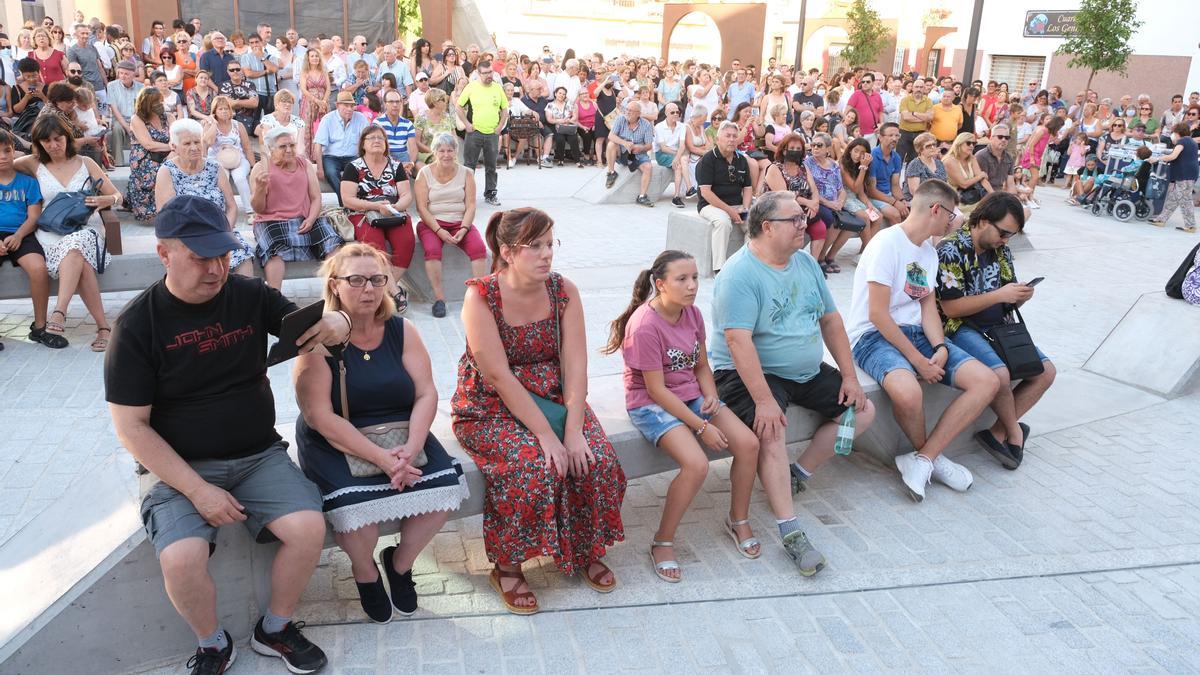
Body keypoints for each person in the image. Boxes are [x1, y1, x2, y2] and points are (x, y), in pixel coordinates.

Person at [105, 195, 348, 675]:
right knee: (181, 557)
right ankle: (213, 643)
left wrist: (337, 321)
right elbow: (131, 427)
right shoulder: (137, 325)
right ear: (163, 254)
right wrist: (198, 491)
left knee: (307, 528)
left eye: (222, 253)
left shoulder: (249, 294)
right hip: (179, 467)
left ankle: (274, 629)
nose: (216, 268)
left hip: (258, 453)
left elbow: (306, 325)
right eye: (200, 257)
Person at [451, 207, 625, 614]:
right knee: (533, 466)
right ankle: (507, 566)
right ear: (508, 253)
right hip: (491, 405)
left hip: (554, 393)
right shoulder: (481, 296)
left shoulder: (564, 291)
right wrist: (548, 436)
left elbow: (576, 364)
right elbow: (498, 376)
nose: (547, 254)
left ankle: (584, 546)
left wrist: (574, 429)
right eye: (535, 247)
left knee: (593, 459)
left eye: (551, 244)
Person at [294, 243, 467, 623]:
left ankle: (400, 564)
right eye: (355, 280)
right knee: (357, 511)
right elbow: (320, 416)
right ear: (335, 285)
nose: (368, 289)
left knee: (443, 491)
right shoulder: (318, 340)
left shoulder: (402, 330)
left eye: (377, 279)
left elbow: (426, 392)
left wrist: (412, 447)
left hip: (402, 428)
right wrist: (384, 460)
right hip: (337, 435)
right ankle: (365, 572)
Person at [711, 191, 876, 574]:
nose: (806, 224)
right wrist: (764, 400)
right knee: (772, 429)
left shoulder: (804, 262)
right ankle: (790, 532)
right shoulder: (740, 274)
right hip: (749, 372)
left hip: (804, 369)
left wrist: (849, 376)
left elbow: (831, 321)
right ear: (767, 227)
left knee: (862, 412)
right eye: (796, 219)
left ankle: (797, 475)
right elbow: (738, 342)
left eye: (803, 217)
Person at [602, 250, 760, 582]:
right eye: (682, 279)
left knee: (748, 443)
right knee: (697, 464)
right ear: (660, 285)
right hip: (650, 403)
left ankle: (738, 519)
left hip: (691, 394)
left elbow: (701, 365)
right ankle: (662, 541)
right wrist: (702, 427)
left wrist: (711, 395)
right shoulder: (644, 326)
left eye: (695, 278)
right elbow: (656, 390)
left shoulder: (692, 314)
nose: (691, 286)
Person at [846, 179, 999, 502]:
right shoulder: (887, 243)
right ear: (935, 210)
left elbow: (927, 304)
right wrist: (918, 361)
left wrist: (940, 346)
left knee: (987, 381)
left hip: (917, 334)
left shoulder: (928, 252)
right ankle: (929, 456)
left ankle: (925, 458)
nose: (953, 222)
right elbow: (877, 314)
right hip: (873, 336)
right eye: (951, 215)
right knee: (908, 391)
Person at [936, 191, 1056, 468]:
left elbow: (1004, 296)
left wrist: (1019, 296)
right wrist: (999, 295)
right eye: (1003, 233)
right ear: (983, 220)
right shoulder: (951, 249)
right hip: (960, 326)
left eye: (1010, 235)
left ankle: (998, 432)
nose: (1005, 240)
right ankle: (1015, 433)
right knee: (999, 374)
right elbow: (951, 309)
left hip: (999, 326)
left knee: (1046, 372)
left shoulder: (1000, 250)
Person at [15, 114, 121, 351]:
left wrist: (107, 199)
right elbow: (4, 166)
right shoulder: (32, 163)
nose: (53, 145)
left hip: (87, 229)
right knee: (79, 261)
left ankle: (59, 313)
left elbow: (118, 195)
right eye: (46, 141)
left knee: (77, 243)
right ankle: (103, 327)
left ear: (67, 136)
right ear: (39, 143)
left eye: (57, 138)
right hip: (50, 235)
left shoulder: (86, 163)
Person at [155, 118, 253, 275]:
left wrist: (225, 230)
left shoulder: (215, 167)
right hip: (186, 236)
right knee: (199, 259)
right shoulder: (167, 171)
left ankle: (245, 298)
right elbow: (166, 216)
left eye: (197, 142)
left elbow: (231, 206)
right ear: (174, 147)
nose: (194, 147)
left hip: (220, 230)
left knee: (242, 253)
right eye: (187, 144)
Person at [251, 125, 342, 288]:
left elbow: (316, 198)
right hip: (272, 220)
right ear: (271, 149)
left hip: (304, 219)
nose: (289, 150)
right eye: (283, 146)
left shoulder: (304, 164)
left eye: (292, 145)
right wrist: (259, 189)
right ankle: (274, 299)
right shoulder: (260, 169)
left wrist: (311, 218)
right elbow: (258, 209)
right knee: (273, 252)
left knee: (332, 240)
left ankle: (336, 291)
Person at [0, 128, 67, 350]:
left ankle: (39, 327)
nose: (3, 157)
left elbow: (34, 215)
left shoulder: (27, 182)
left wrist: (19, 235)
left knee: (39, 269)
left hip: (23, 231)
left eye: (7, 151)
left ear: (14, 152)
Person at [413, 133, 490, 317]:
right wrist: (439, 231)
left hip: (459, 221)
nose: (446, 154)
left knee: (479, 249)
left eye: (450, 150)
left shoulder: (466, 173)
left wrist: (464, 228)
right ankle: (439, 299)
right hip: (432, 222)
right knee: (432, 251)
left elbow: (471, 205)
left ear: (456, 152)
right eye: (441, 151)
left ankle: (480, 296)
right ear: (434, 152)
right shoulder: (424, 174)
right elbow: (421, 208)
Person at [340, 124, 415, 312]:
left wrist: (395, 207)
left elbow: (406, 194)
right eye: (371, 138)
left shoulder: (396, 166)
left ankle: (385, 291)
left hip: (394, 213)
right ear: (363, 144)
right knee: (376, 247)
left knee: (407, 242)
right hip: (364, 214)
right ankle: (396, 293)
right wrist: (376, 206)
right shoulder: (353, 167)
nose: (376, 141)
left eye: (380, 138)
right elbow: (347, 199)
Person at [762, 132, 828, 269]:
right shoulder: (775, 168)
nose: (795, 152)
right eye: (792, 148)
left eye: (799, 149)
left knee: (820, 228)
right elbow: (785, 194)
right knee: (794, 229)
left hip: (800, 209)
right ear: (784, 150)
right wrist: (808, 202)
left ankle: (812, 267)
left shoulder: (803, 167)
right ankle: (789, 265)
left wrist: (814, 203)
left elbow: (813, 188)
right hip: (778, 208)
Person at [696, 121, 752, 273]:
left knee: (754, 223)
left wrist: (745, 207)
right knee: (723, 222)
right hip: (710, 205)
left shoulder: (741, 160)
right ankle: (719, 269)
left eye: (735, 136)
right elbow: (706, 192)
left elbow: (747, 188)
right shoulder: (708, 160)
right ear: (718, 138)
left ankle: (747, 264)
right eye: (728, 136)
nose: (732, 139)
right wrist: (729, 211)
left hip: (737, 204)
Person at [457, 60, 508, 207]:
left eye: (490, 72)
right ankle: (467, 196)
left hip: (492, 133)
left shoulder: (498, 88)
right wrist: (467, 125)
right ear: (478, 73)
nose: (489, 75)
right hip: (474, 133)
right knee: (469, 166)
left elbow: (504, 109)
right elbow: (459, 106)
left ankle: (491, 194)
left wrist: (499, 127)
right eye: (485, 73)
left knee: (491, 166)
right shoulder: (471, 87)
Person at [314, 90, 371, 203]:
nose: (350, 109)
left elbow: (368, 140)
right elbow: (318, 145)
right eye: (346, 105)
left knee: (359, 172)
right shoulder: (328, 119)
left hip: (352, 156)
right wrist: (320, 168)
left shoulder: (360, 118)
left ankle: (355, 202)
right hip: (331, 157)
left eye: (351, 106)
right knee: (331, 173)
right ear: (337, 106)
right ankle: (346, 202)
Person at [127, 87, 173, 221]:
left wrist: (173, 150)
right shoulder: (137, 119)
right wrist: (171, 147)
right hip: (145, 156)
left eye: (161, 101)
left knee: (175, 163)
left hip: (167, 154)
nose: (160, 105)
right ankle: (157, 209)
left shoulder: (168, 117)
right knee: (158, 169)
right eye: (156, 102)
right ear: (147, 104)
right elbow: (148, 144)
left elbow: (177, 137)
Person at [203, 95, 255, 215]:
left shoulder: (238, 125)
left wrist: (253, 166)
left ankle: (250, 211)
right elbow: (208, 142)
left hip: (238, 158)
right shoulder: (210, 125)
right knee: (223, 178)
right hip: (217, 159)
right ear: (214, 111)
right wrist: (214, 124)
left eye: (226, 108)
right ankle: (222, 210)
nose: (224, 111)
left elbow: (247, 147)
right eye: (220, 109)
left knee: (240, 178)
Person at [1147, 123, 1198, 232]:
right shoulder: (1191, 141)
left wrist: (1158, 158)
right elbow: (1177, 153)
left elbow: (1173, 156)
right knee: (1172, 198)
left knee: (1185, 200)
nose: (1172, 135)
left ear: (1178, 133)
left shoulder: (1182, 141)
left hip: (1184, 175)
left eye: (1174, 132)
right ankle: (1161, 219)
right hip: (1187, 175)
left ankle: (1190, 226)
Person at [604, 100, 656, 207]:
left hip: (638, 154)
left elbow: (649, 145)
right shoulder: (620, 119)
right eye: (626, 109)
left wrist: (641, 147)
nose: (627, 112)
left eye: (631, 111)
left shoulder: (646, 124)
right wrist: (625, 143)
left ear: (638, 114)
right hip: (622, 151)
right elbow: (611, 136)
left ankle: (642, 196)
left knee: (648, 167)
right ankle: (611, 172)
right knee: (611, 144)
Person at [865, 122, 908, 230]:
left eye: (897, 135)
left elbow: (895, 185)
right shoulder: (873, 156)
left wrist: (902, 200)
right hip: (872, 197)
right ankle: (897, 245)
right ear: (880, 137)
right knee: (895, 214)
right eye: (890, 135)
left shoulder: (896, 157)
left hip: (888, 195)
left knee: (908, 213)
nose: (894, 138)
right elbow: (871, 190)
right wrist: (894, 202)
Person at [1019, 116, 1064, 208]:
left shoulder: (1048, 132)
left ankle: (1030, 196)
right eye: (1059, 127)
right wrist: (1031, 158)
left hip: (1038, 156)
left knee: (1034, 178)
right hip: (1032, 154)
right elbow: (1031, 144)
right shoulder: (1042, 130)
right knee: (1035, 177)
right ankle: (1025, 197)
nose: (1059, 129)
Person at [105, 60, 143, 166]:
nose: (123, 76)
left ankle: (139, 161)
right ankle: (118, 162)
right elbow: (114, 109)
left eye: (126, 74)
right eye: (121, 73)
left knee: (142, 128)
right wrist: (127, 127)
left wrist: (134, 125)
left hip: (136, 119)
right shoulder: (111, 86)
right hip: (119, 119)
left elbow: (140, 109)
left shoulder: (141, 87)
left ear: (133, 74)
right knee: (117, 128)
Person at [653, 101, 691, 207]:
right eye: (672, 112)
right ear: (666, 113)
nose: (675, 114)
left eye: (677, 112)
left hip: (676, 153)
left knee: (679, 164)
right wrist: (677, 155)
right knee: (680, 162)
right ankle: (687, 189)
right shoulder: (659, 127)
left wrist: (677, 157)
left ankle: (676, 196)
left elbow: (682, 146)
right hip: (662, 154)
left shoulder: (682, 126)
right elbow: (663, 148)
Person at [943, 132, 989, 213]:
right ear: (959, 144)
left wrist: (994, 195)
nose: (971, 146)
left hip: (973, 197)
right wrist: (980, 176)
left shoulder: (972, 158)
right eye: (968, 143)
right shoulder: (949, 161)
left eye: (974, 143)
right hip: (957, 201)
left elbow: (983, 180)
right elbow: (964, 184)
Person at [255, 89, 306, 158]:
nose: (287, 104)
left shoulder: (299, 122)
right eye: (283, 101)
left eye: (290, 102)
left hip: (293, 157)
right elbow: (267, 144)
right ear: (276, 105)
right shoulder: (267, 120)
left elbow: (300, 146)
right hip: (274, 157)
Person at [297, 47, 330, 158]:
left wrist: (323, 102)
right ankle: (309, 156)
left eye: (316, 56)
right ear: (308, 59)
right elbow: (303, 89)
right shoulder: (304, 72)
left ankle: (321, 155)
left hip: (323, 104)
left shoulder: (324, 72)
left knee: (322, 127)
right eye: (312, 56)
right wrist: (316, 101)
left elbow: (328, 88)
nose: (315, 58)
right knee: (308, 128)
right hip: (309, 104)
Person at [374, 89, 417, 166]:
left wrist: (411, 163)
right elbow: (377, 148)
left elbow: (413, 148)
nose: (395, 105)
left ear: (401, 103)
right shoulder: (378, 123)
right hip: (385, 157)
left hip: (404, 158)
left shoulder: (408, 124)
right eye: (391, 102)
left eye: (397, 102)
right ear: (385, 104)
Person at [413, 88, 455, 165]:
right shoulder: (421, 118)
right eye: (443, 99)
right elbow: (416, 142)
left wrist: (450, 152)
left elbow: (454, 138)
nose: (446, 101)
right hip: (428, 154)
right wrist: (434, 152)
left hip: (447, 155)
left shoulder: (448, 117)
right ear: (435, 102)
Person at [66, 23, 106, 103]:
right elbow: (74, 72)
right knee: (91, 112)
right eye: (82, 33)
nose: (85, 36)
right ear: (76, 35)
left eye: (87, 33)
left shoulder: (93, 48)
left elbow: (100, 67)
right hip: (85, 88)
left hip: (100, 87)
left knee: (103, 112)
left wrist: (106, 84)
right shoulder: (72, 51)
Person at [218, 59, 259, 134]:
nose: (235, 72)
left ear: (241, 70)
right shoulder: (223, 85)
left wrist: (236, 102)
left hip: (249, 121)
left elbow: (254, 103)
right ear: (228, 72)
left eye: (237, 69)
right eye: (232, 70)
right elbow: (227, 104)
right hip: (231, 121)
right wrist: (246, 102)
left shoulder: (250, 84)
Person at [904, 132, 948, 201]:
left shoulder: (939, 163)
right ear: (920, 149)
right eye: (928, 146)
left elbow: (945, 184)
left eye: (934, 144)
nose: (933, 147)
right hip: (919, 201)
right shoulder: (915, 164)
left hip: (939, 199)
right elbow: (915, 192)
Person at [545, 85, 581, 167]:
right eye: (559, 93)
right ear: (555, 94)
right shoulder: (550, 105)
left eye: (563, 94)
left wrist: (569, 120)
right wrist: (560, 121)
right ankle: (560, 160)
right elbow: (549, 119)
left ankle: (577, 161)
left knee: (573, 139)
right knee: (560, 139)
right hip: (557, 127)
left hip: (568, 126)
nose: (561, 95)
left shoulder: (569, 104)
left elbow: (575, 116)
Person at [846, 72, 884, 142]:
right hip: (858, 133)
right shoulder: (857, 94)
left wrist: (881, 124)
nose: (865, 83)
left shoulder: (877, 96)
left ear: (873, 83)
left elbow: (880, 111)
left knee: (870, 152)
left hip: (873, 133)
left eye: (868, 82)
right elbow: (847, 111)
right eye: (863, 82)